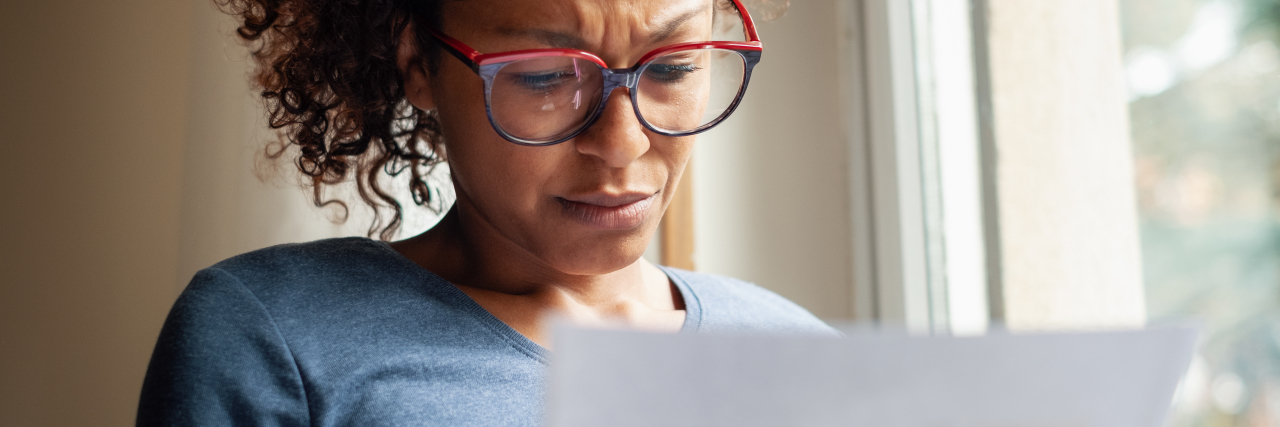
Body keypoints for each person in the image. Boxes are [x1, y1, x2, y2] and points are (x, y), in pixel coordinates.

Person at [137, 0, 832, 425]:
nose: (623, 143)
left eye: (674, 67)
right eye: (546, 76)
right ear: (418, 63)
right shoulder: (276, 338)